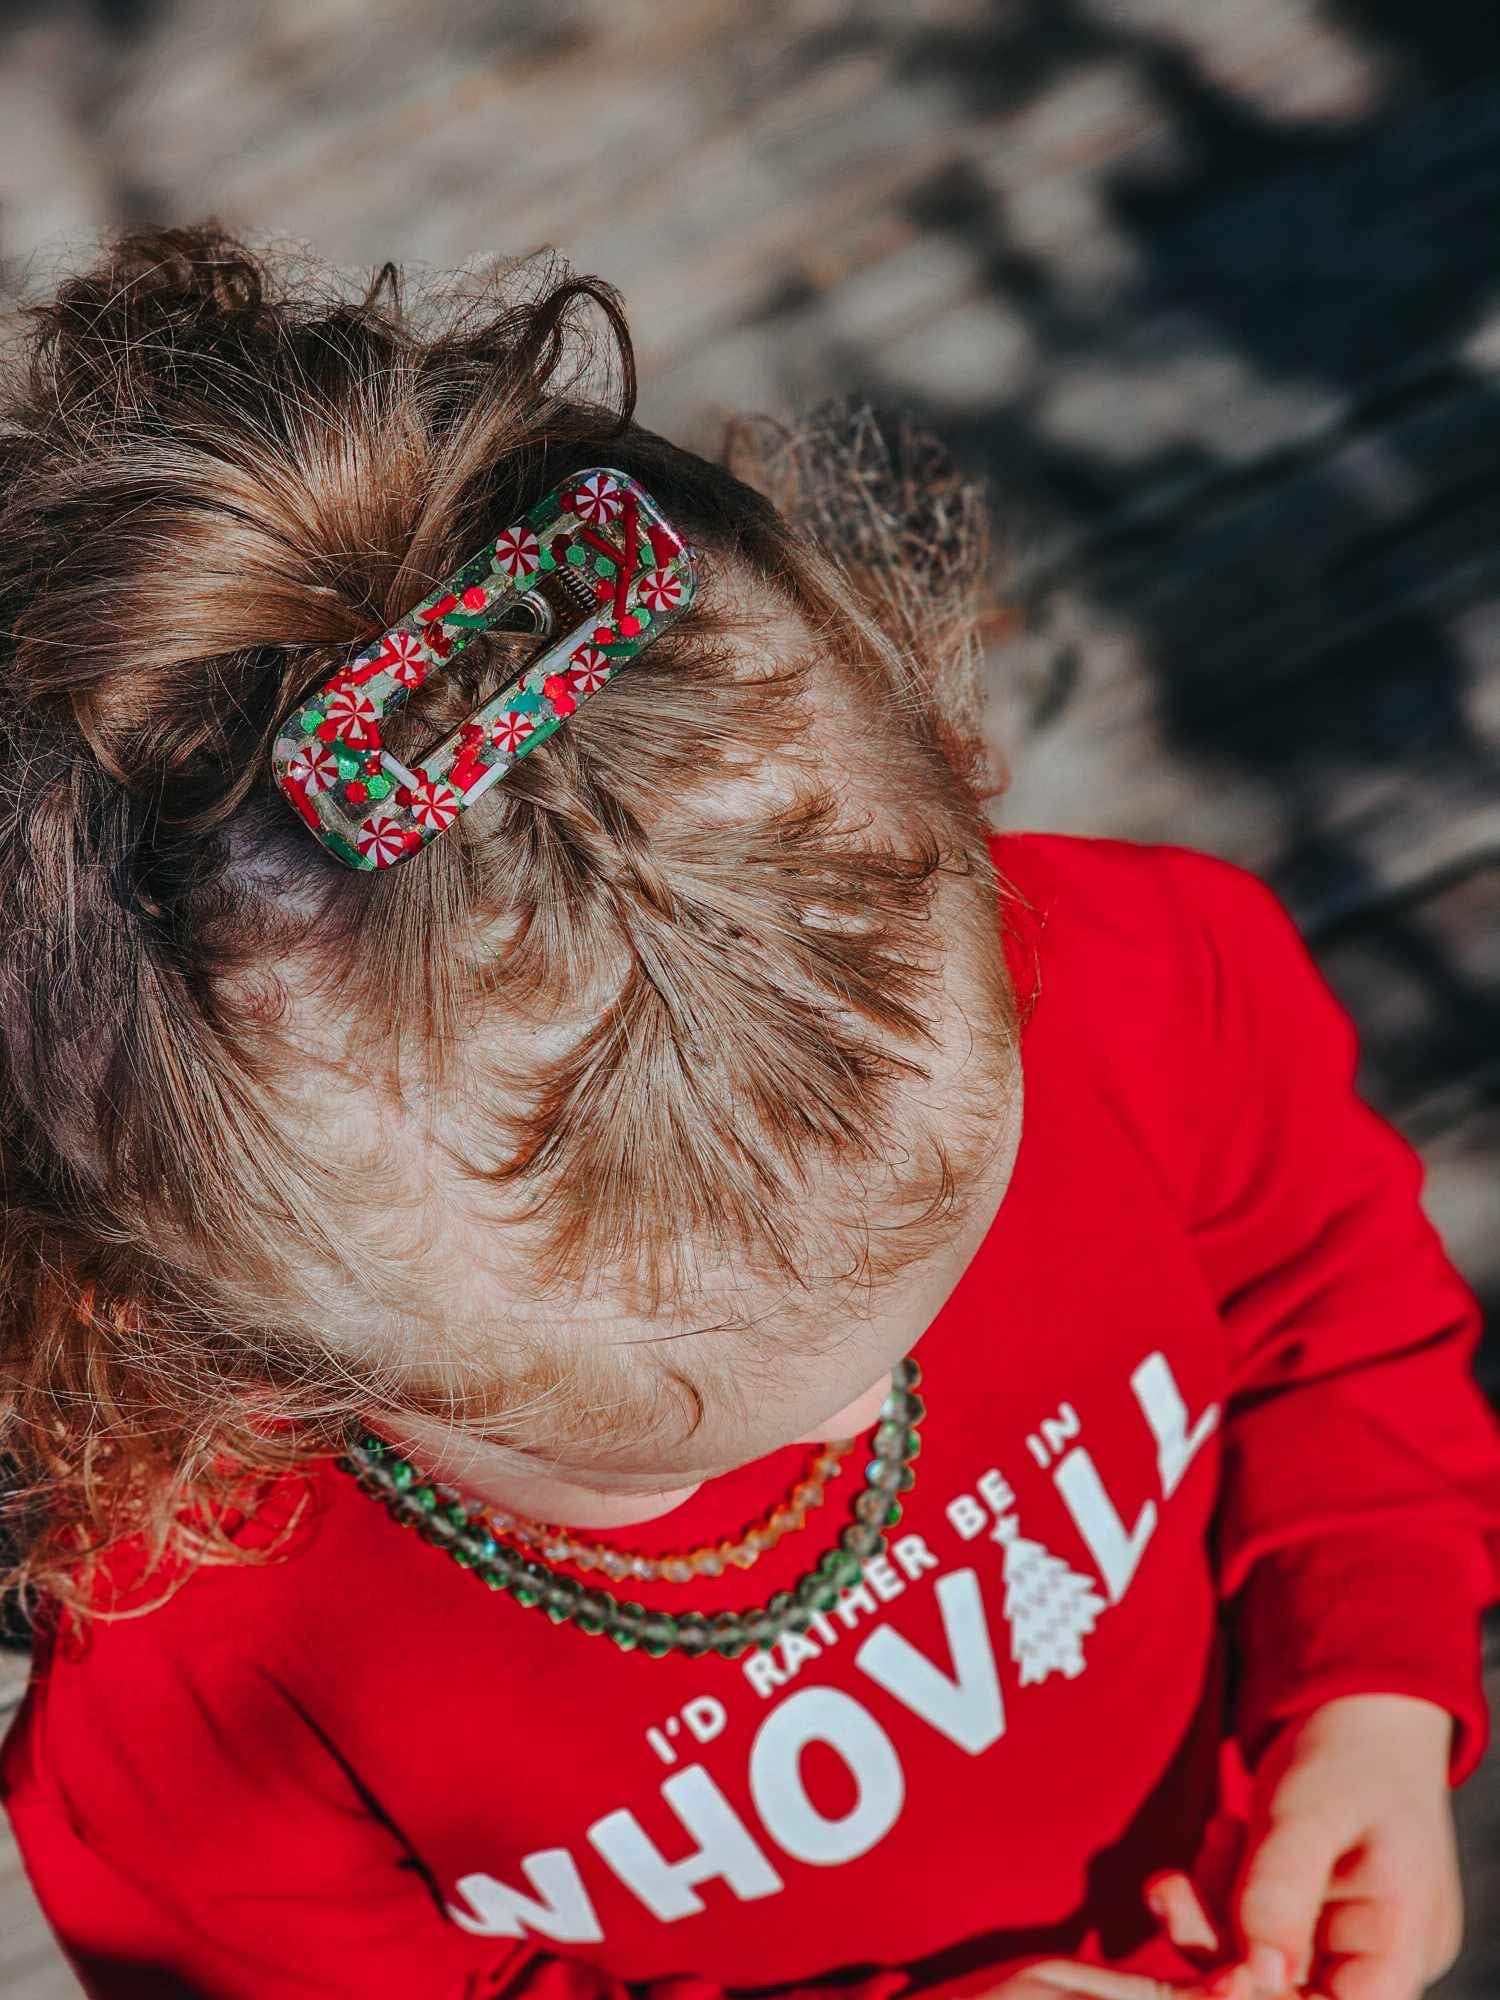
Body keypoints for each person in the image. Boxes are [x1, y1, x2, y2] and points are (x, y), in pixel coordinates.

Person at [0, 222, 1493, 2000]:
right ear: (195, 1332)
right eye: (667, 1454)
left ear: (941, 777)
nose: (863, 1415)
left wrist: (1368, 1689)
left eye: (951, 1258)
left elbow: (1320, 1300)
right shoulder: (200, 1686)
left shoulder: (1128, 987)